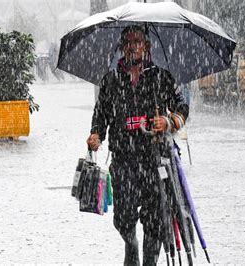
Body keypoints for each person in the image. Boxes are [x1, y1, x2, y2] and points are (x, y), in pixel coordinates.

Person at [86, 25, 189, 265]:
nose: (134, 46)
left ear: (147, 46)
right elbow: (100, 115)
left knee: (155, 218)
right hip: (123, 159)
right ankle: (130, 246)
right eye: (129, 42)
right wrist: (96, 135)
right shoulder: (111, 80)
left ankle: (150, 261)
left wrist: (168, 121)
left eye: (139, 41)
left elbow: (182, 107)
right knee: (123, 217)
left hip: (153, 158)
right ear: (122, 47)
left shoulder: (161, 77)